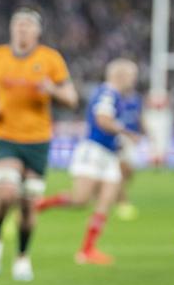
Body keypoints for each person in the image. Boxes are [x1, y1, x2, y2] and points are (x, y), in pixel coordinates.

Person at [0, 8, 78, 281]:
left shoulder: (50, 59)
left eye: (28, 25)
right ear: (11, 29)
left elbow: (72, 98)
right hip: (6, 137)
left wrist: (52, 91)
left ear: (37, 32)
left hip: (38, 140)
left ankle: (22, 257)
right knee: (6, 194)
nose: (22, 29)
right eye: (18, 24)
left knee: (30, 204)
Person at [35, 59, 140, 265]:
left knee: (106, 200)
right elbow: (102, 120)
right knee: (80, 199)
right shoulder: (108, 93)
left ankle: (87, 250)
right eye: (131, 76)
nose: (133, 81)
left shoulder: (115, 95)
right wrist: (126, 132)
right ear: (121, 75)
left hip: (109, 154)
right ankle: (37, 206)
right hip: (94, 151)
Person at [114, 85, 144, 220]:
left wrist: (145, 131)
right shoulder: (114, 98)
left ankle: (110, 193)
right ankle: (123, 203)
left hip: (132, 138)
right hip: (119, 137)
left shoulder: (136, 100)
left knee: (129, 173)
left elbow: (139, 117)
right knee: (121, 172)